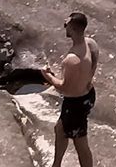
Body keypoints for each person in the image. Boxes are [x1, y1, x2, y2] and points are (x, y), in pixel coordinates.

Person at [42, 11, 99, 167]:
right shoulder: (90, 43)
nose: (64, 28)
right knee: (60, 129)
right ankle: (56, 164)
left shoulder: (72, 60)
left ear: (72, 29)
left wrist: (48, 77)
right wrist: (87, 79)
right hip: (87, 95)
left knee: (80, 142)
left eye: (66, 25)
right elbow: (94, 62)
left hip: (75, 103)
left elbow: (64, 88)